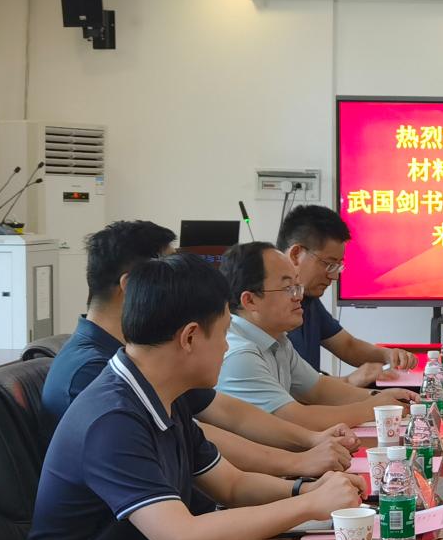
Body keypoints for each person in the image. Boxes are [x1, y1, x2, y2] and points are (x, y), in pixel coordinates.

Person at [11, 255, 364, 540]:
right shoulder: (111, 419)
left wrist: (306, 489)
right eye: (225, 334)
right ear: (191, 337)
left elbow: (232, 484)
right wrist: (309, 504)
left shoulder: (165, 396)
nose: (227, 349)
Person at [44, 220, 351, 478]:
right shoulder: (93, 372)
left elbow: (228, 412)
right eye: (168, 269)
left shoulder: (147, 356)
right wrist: (299, 463)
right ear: (132, 286)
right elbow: (198, 439)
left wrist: (311, 439)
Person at [216, 244, 402, 429]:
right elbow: (296, 419)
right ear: (250, 300)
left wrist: (381, 397)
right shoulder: (239, 354)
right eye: (288, 288)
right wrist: (376, 408)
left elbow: (318, 389)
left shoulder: (278, 340)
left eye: (297, 286)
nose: (299, 296)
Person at [276, 204, 418, 381]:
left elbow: (347, 346)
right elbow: (293, 388)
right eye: (329, 264)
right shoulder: (268, 310)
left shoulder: (308, 300)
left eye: (338, 266)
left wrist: (388, 355)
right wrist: (349, 381)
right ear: (296, 254)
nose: (334, 276)